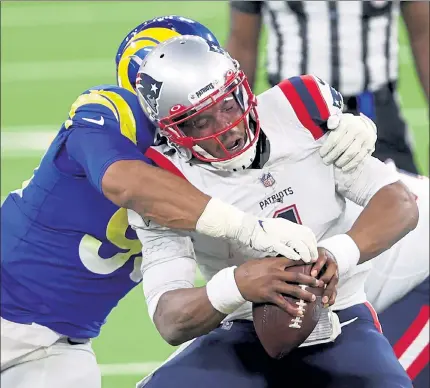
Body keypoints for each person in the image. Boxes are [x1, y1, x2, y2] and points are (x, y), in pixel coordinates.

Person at [0, 16, 375, 388]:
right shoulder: (111, 113)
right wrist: (246, 228)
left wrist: (346, 125)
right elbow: (127, 183)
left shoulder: (214, 141)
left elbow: (281, 146)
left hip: (61, 343)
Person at [130, 35, 420, 388]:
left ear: (243, 89)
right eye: (199, 121)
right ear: (173, 134)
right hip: (239, 328)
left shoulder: (298, 112)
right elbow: (170, 320)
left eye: (228, 104)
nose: (228, 126)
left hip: (340, 316)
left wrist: (336, 254)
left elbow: (400, 203)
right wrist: (239, 283)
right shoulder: (164, 182)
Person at [226, 0, 429, 174]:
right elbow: (243, 43)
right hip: (292, 116)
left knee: (407, 208)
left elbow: (424, 34)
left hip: (376, 115)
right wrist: (234, 125)